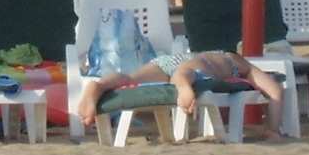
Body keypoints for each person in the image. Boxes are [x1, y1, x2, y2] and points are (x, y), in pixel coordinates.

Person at [75, 50, 284, 129]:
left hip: (169, 60)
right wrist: (273, 130)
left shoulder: (226, 57)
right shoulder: (238, 63)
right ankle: (183, 86)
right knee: (186, 73)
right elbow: (274, 90)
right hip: (204, 62)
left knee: (130, 78)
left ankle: (99, 85)